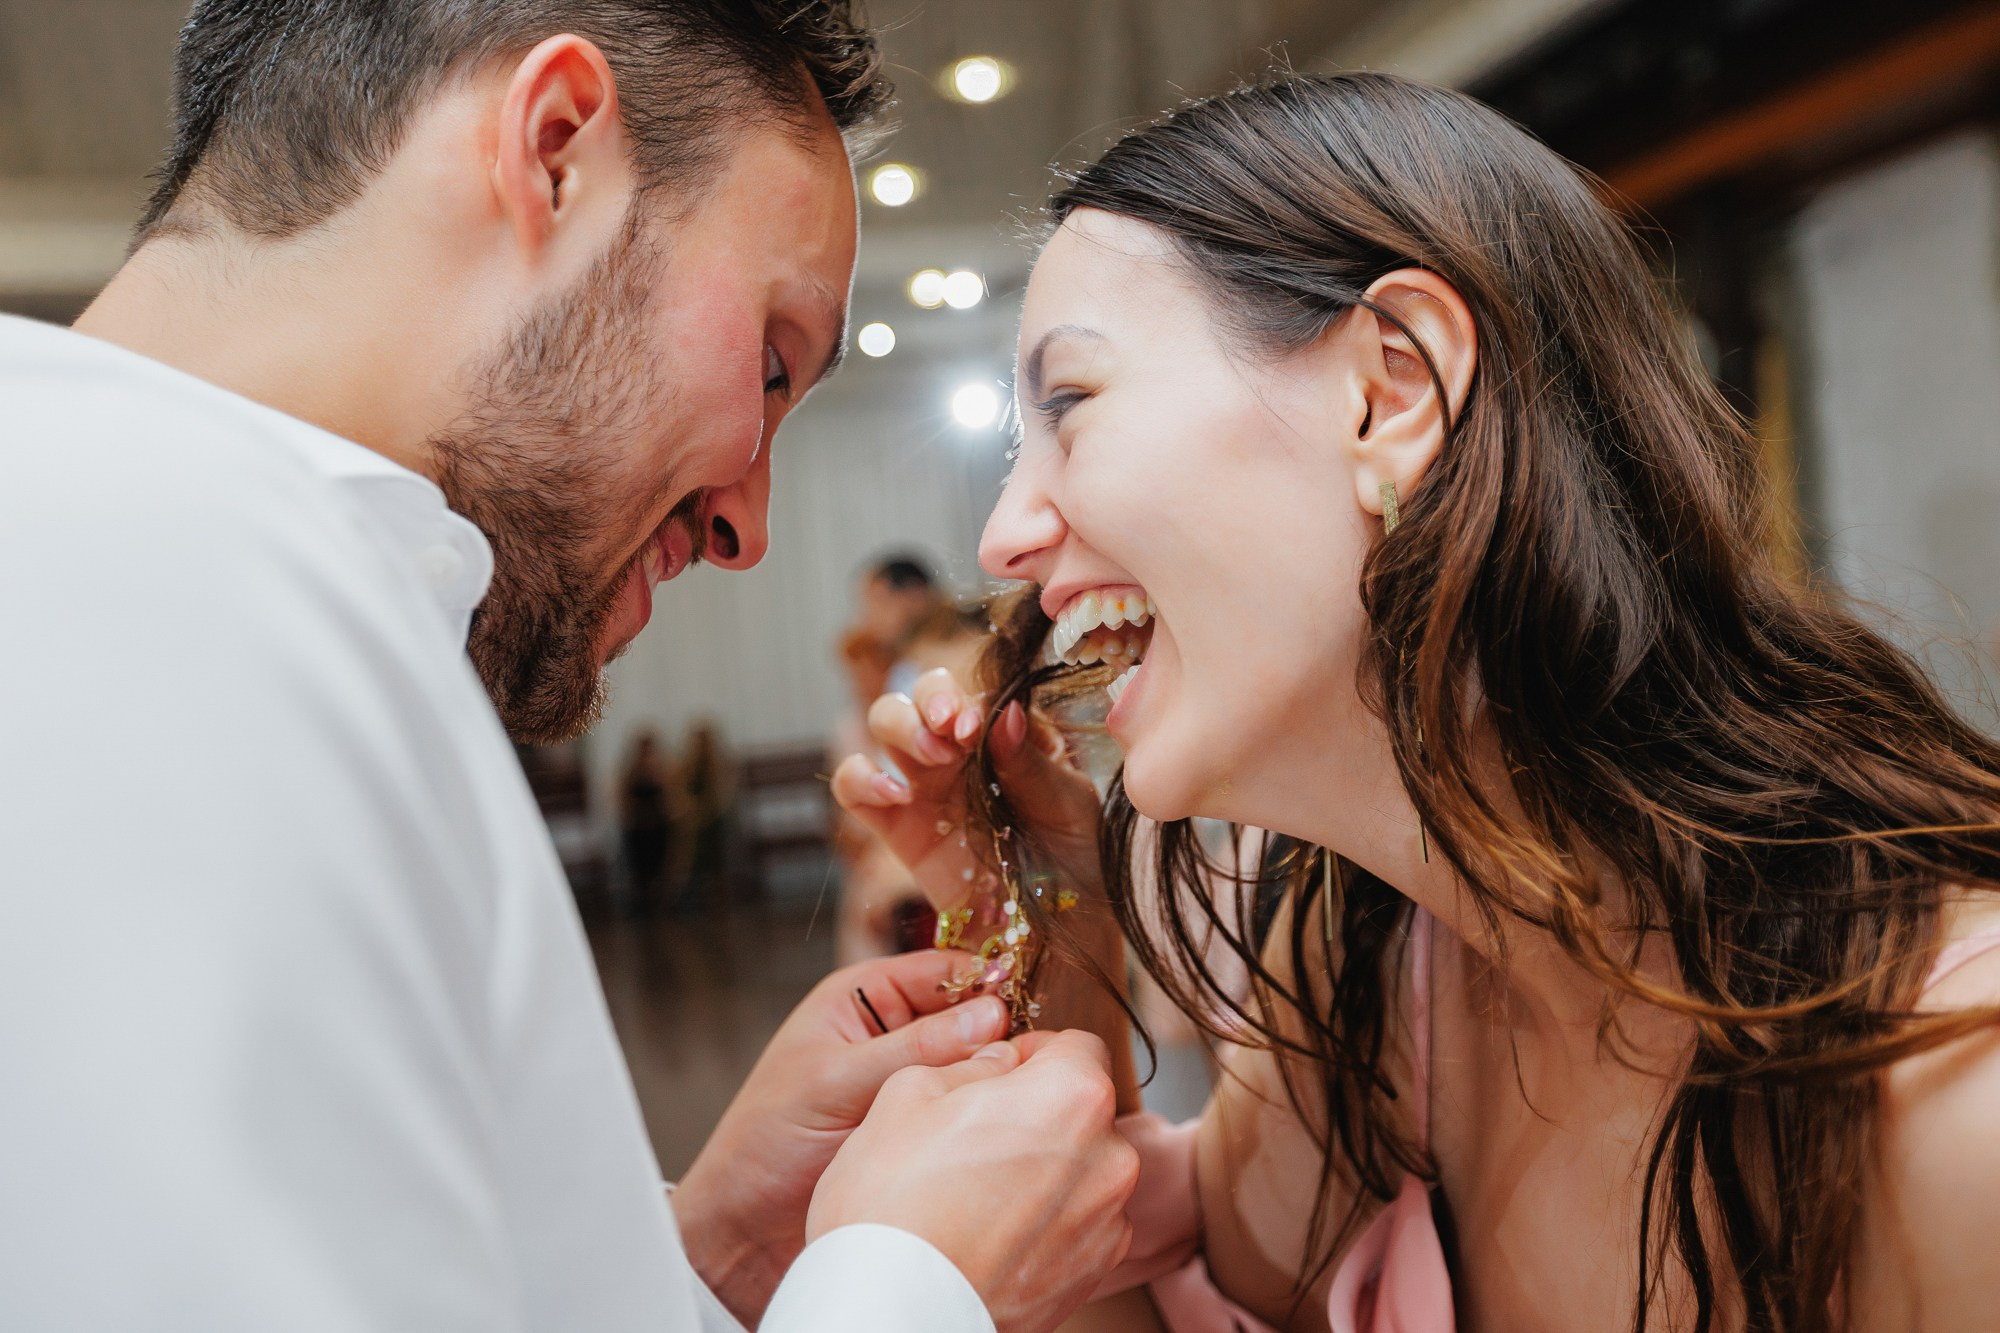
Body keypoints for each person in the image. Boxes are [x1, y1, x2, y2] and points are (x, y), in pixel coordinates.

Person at [0, 4, 1139, 1331]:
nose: (747, 526)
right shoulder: (187, 588)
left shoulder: (219, 566)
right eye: (772, 366)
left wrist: (689, 1258)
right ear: (552, 154)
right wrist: (915, 1284)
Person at [835, 73, 2000, 1333]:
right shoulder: (1365, 968)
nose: (1004, 536)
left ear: (1390, 389)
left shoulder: (1954, 1102)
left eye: (1070, 405)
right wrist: (1052, 921)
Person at [619, 728, 675, 914]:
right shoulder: (631, 772)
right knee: (639, 859)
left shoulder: (662, 770)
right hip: (638, 824)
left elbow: (669, 799)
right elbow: (625, 801)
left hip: (658, 823)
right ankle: (642, 896)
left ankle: (660, 896)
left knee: (660, 853)